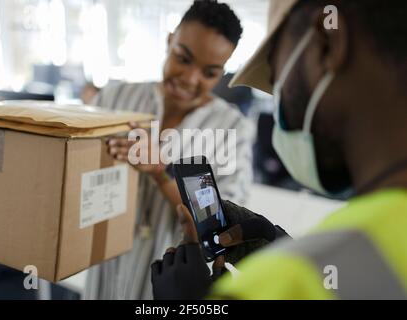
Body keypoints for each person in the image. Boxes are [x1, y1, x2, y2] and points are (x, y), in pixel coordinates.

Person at [152, 0, 407, 300]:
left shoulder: (282, 282)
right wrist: (275, 245)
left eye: (276, 77)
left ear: (327, 46)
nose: (278, 100)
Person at [87, 0, 255, 300]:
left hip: (164, 288)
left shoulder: (232, 129)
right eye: (183, 58)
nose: (190, 79)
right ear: (169, 42)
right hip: (105, 273)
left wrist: (160, 170)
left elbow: (221, 227)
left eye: (210, 72)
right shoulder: (115, 98)